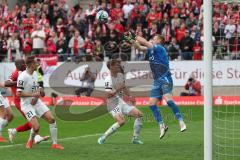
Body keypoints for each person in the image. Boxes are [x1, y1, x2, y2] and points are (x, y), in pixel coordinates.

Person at [125, 32, 186, 139]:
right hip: (157, 81)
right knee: (151, 103)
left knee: (168, 100)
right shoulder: (151, 49)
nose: (152, 39)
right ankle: (162, 125)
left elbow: (143, 42)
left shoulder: (159, 48)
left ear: (159, 41)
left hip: (165, 78)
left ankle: (181, 121)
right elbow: (139, 47)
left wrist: (134, 35)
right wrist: (131, 40)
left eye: (154, 38)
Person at [17, 56, 64, 150]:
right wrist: (33, 94)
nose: (37, 64)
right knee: (36, 127)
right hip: (27, 105)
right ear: (30, 65)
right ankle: (30, 140)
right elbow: (18, 93)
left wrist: (40, 91)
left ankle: (55, 144)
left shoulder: (35, 73)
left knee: (52, 119)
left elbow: (37, 86)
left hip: (37, 101)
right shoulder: (23, 76)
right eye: (35, 63)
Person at [98, 59, 143, 144]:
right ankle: (103, 137)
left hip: (120, 102)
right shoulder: (108, 79)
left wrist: (130, 97)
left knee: (139, 115)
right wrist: (118, 88)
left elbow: (124, 87)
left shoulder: (120, 75)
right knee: (121, 122)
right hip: (112, 104)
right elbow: (108, 95)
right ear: (111, 67)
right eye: (116, 65)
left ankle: (135, 139)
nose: (118, 66)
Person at [6, 59, 48, 144]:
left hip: (29, 99)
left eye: (25, 63)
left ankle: (14, 131)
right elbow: (6, 83)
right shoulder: (15, 73)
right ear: (17, 66)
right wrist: (18, 82)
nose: (25, 64)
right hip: (20, 101)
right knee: (32, 122)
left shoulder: (28, 72)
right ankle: (35, 138)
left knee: (33, 121)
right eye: (22, 63)